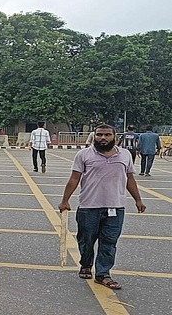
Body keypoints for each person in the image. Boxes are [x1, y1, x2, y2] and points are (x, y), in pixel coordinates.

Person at [59, 124, 146, 290]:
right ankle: (86, 264)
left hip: (116, 207)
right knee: (86, 240)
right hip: (88, 207)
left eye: (107, 135)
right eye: (99, 135)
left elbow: (130, 179)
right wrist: (65, 201)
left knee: (109, 241)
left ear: (114, 137)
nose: (103, 138)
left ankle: (103, 274)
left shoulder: (125, 155)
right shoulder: (84, 154)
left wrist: (138, 200)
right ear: (94, 136)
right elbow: (74, 179)